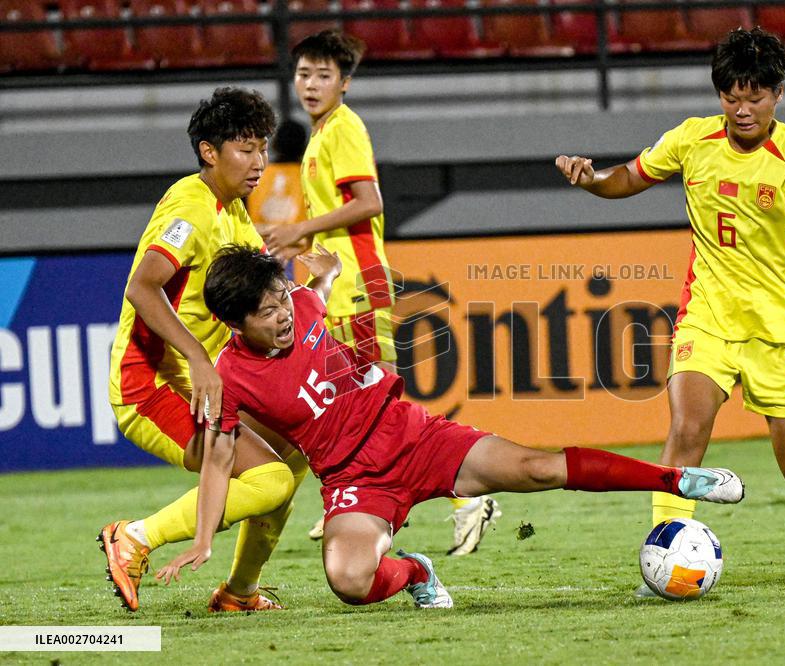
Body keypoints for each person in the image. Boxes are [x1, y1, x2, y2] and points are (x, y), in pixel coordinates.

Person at [154, 244, 746, 609]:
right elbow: (219, 461)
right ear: (236, 323)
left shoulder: (302, 305)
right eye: (267, 313)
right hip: (355, 481)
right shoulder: (229, 376)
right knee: (349, 581)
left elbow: (318, 287)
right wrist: (204, 539)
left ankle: (678, 480)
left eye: (282, 299)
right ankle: (418, 570)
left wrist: (327, 270)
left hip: (414, 436)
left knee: (538, 468)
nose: (284, 315)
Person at [555, 27, 785, 591]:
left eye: (755, 97)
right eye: (730, 97)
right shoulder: (693, 139)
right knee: (687, 428)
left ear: (778, 94)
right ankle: (664, 553)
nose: (742, 110)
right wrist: (590, 179)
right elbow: (628, 176)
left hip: (776, 330)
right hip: (707, 318)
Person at [262, 29, 501, 552]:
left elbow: (370, 202)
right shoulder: (320, 134)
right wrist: (300, 241)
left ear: (344, 82)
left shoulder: (344, 128)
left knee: (377, 402)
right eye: (303, 74)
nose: (311, 84)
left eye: (323, 75)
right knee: (349, 400)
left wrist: (301, 229)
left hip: (359, 284)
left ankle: (465, 497)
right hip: (338, 284)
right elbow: (341, 214)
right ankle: (357, 495)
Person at [101, 87, 311, 613]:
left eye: (263, 148)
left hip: (203, 384)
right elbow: (142, 287)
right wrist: (198, 358)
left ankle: (239, 592)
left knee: (295, 450)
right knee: (269, 479)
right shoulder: (190, 209)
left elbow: (264, 294)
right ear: (208, 152)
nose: (260, 162)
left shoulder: (234, 210)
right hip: (150, 387)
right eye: (245, 149)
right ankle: (134, 537)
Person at [246, 119, 310, 283]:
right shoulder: (309, 176)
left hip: (260, 256)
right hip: (300, 260)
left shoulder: (255, 175)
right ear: (305, 145)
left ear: (273, 145)